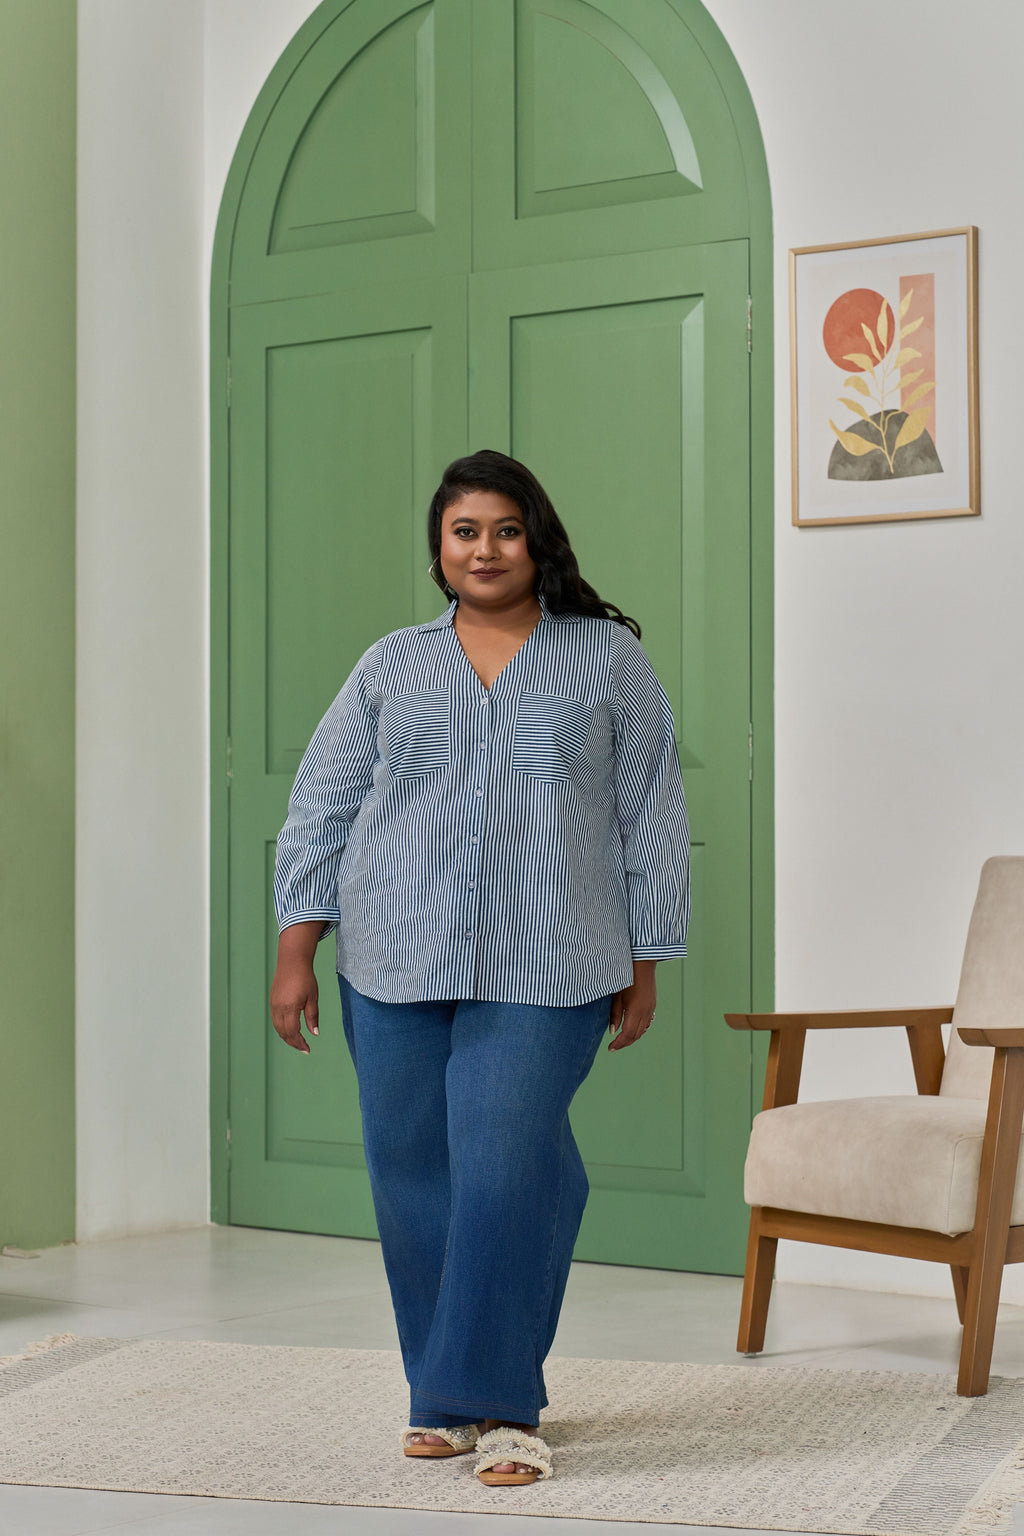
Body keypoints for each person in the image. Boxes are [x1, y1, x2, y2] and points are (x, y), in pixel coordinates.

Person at [270, 449, 689, 1487]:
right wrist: (296, 949)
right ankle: (441, 1398)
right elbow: (321, 804)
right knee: (415, 1173)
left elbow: (650, 814)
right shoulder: (391, 665)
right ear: (439, 547)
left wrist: (646, 958)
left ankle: (503, 1408)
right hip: (393, 952)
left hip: (552, 960)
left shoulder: (606, 658)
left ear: (535, 539)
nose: (485, 549)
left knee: (503, 1167)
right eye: (466, 532)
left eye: (505, 529)